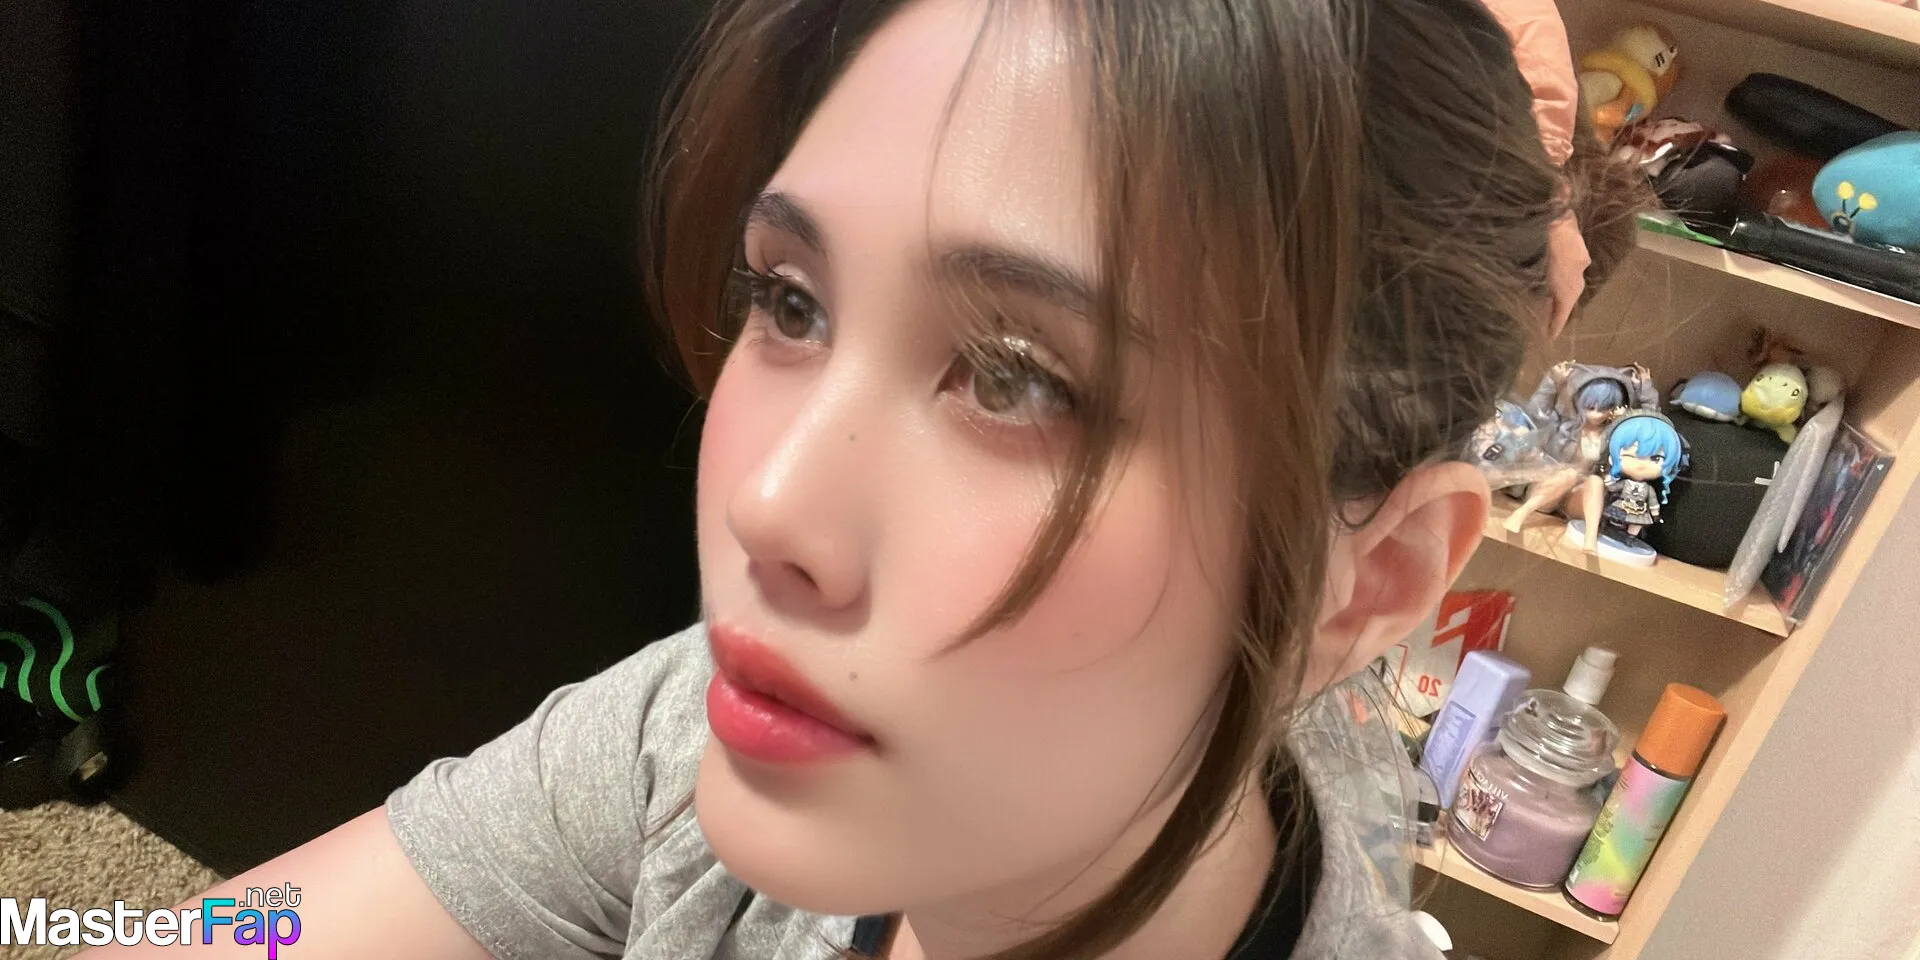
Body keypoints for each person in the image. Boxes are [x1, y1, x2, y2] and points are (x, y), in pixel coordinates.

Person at [80, 0, 1638, 957]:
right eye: (790, 302)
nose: (769, 505)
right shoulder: (706, 727)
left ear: (1371, 582)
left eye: (1016, 378)